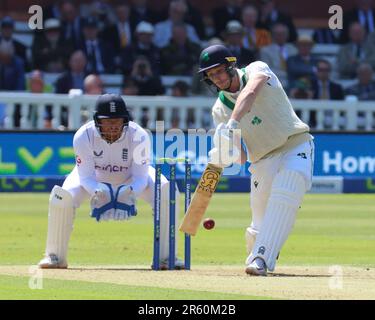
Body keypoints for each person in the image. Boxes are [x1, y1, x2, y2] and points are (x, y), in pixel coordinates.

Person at [197, 45, 314, 276]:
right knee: (260, 224)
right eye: (211, 75)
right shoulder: (219, 110)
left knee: (286, 193)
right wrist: (225, 151)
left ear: (231, 65)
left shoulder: (257, 69)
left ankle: (261, 258)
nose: (217, 78)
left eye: (220, 71)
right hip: (262, 161)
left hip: (296, 144)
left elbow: (249, 94)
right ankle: (261, 247)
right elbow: (241, 157)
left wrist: (232, 124)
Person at [38, 94, 183, 270]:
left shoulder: (139, 136)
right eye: (107, 121)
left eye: (117, 120)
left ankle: (167, 257)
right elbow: (85, 177)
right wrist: (101, 192)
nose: (113, 126)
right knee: (62, 198)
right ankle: (55, 256)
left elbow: (140, 177)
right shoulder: (83, 136)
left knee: (167, 191)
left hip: (131, 179)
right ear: (97, 120)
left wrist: (126, 194)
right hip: (94, 179)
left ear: (125, 120)